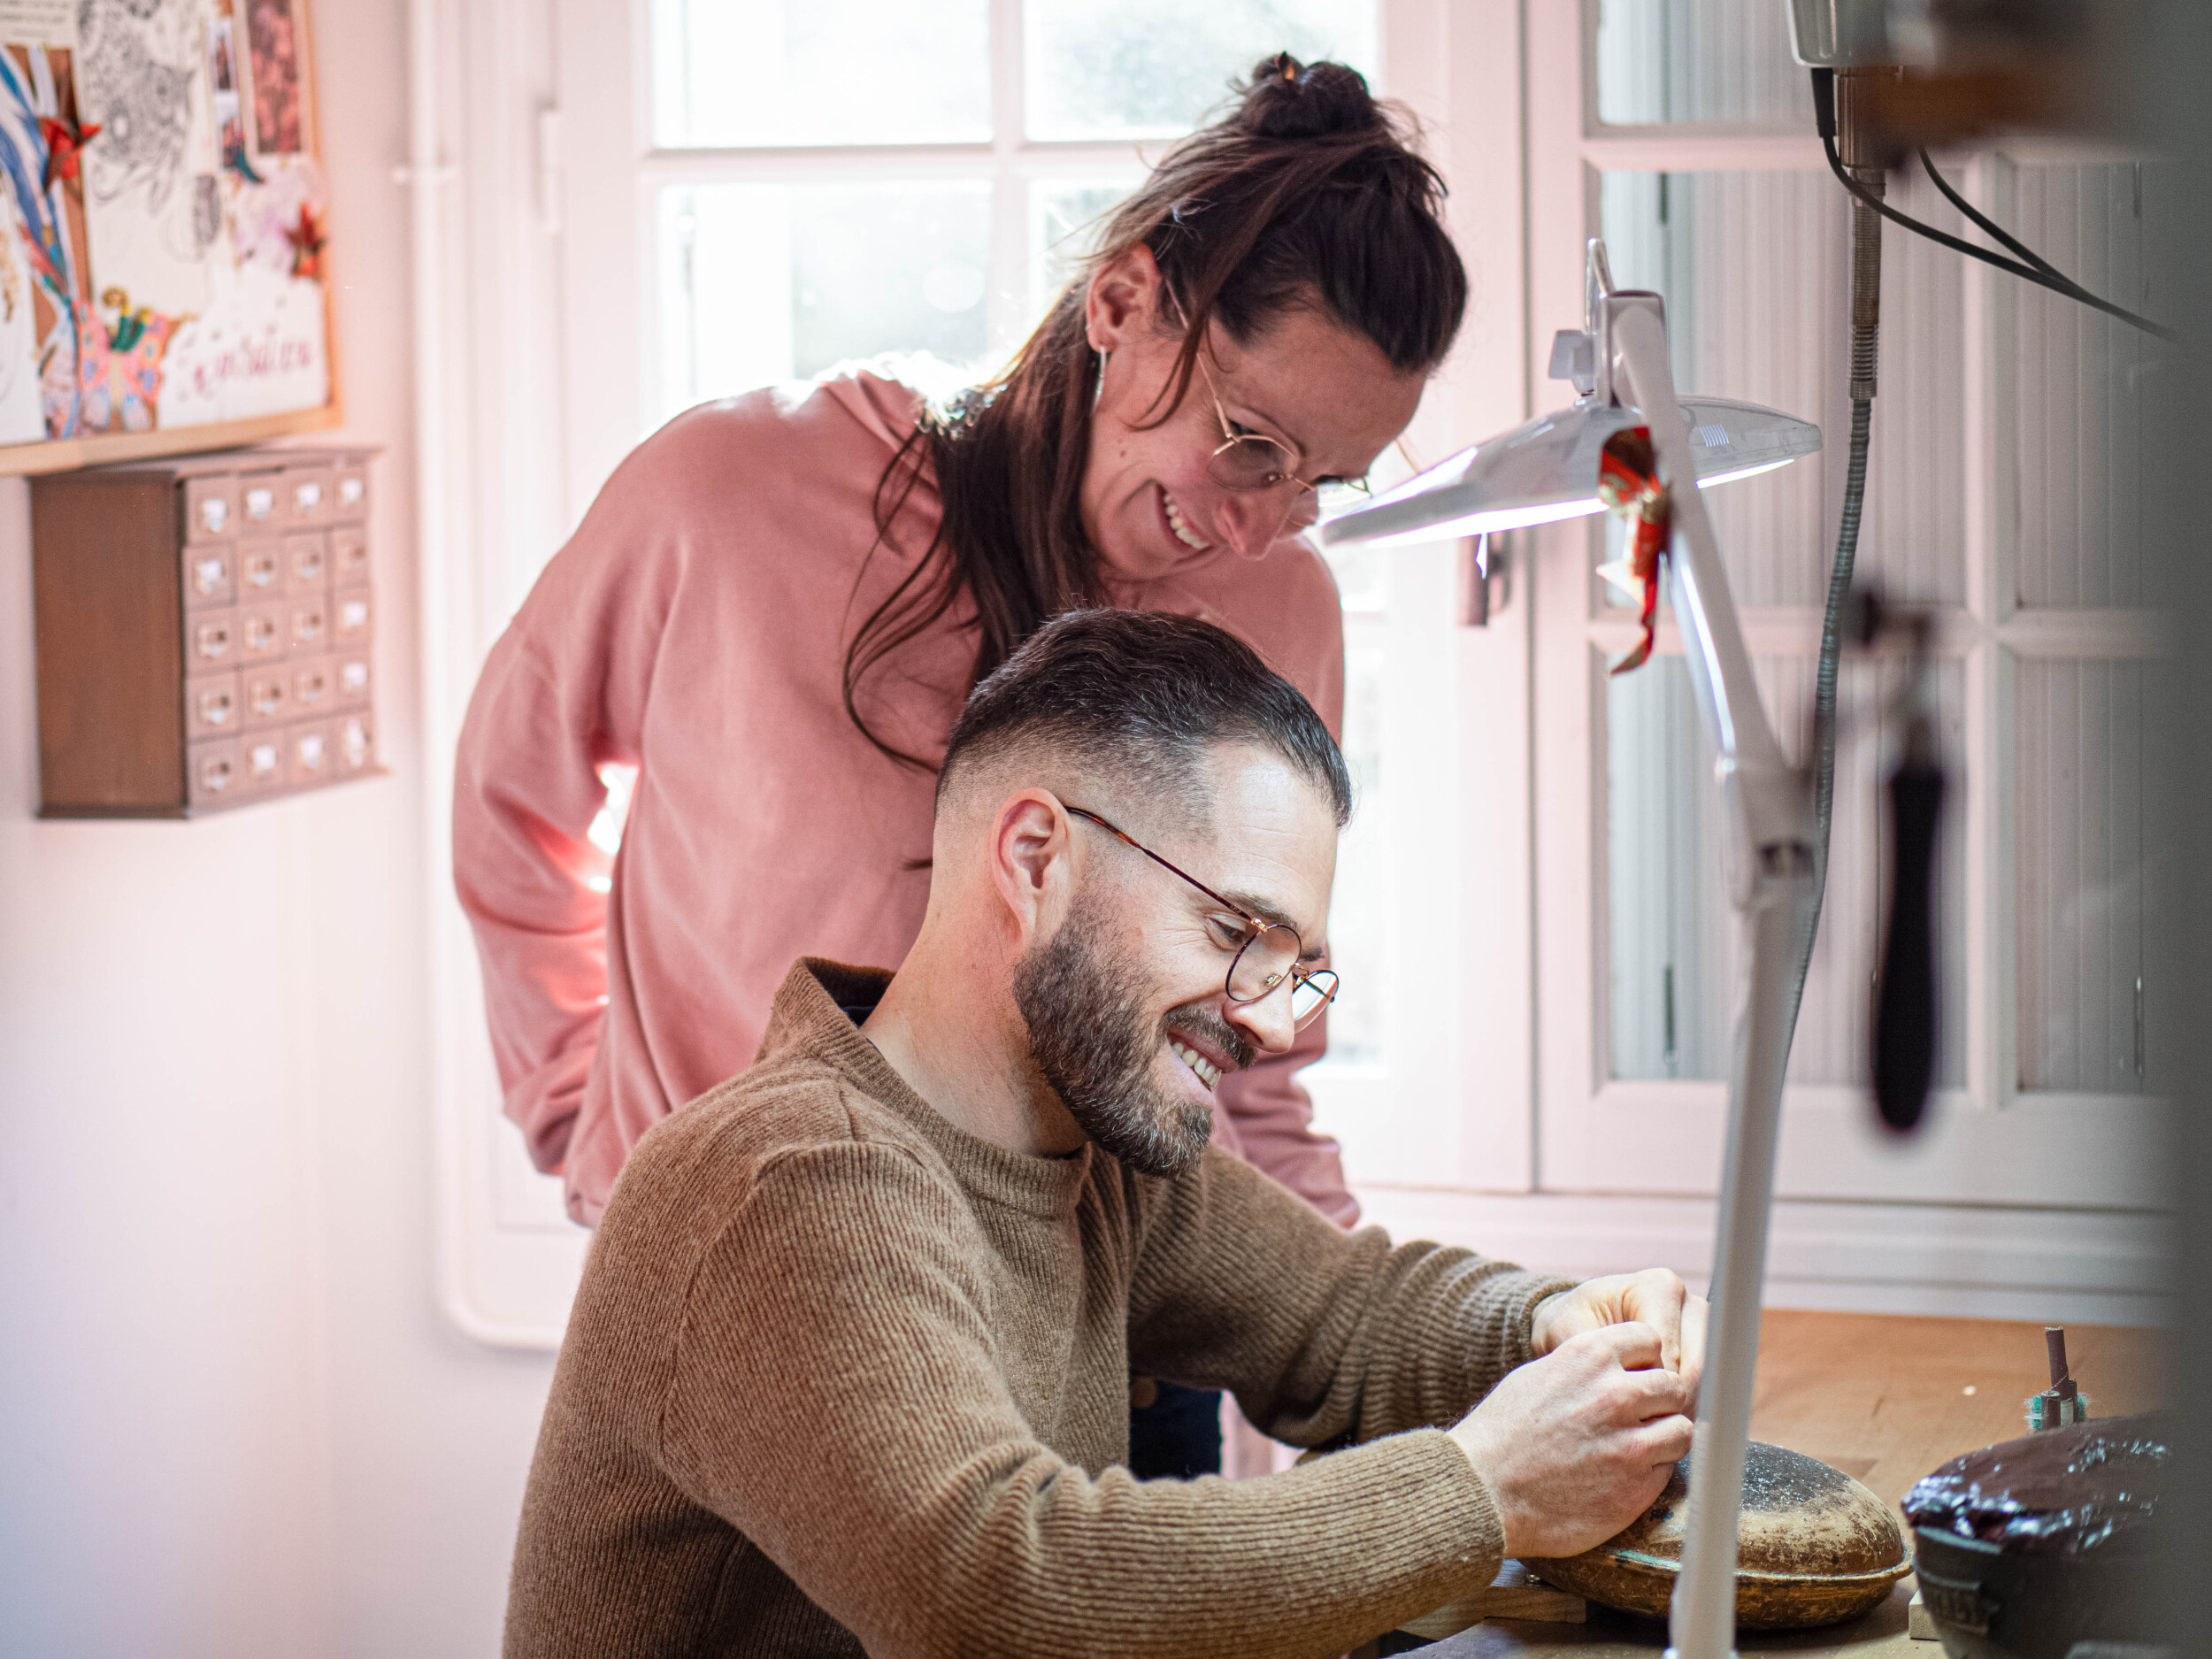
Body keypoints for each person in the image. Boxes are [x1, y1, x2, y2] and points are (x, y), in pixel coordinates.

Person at [454, 54, 1470, 1476]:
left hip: (1117, 1351)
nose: (1267, 524)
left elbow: (1241, 1020)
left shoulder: (1281, 607)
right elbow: (515, 802)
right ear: (1123, 304)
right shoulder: (733, 494)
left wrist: (1327, 1342)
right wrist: (587, 1124)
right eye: (1251, 445)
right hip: (770, 1312)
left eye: (1324, 481)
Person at [503, 611, 1709, 1659]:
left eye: (1300, 972)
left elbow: (1341, 1318)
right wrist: (1481, 1490)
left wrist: (1553, 1321)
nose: (1274, 1023)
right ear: (1037, 859)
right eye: (1237, 930)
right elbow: (993, 1596)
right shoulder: (793, 1185)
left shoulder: (1087, 1134)